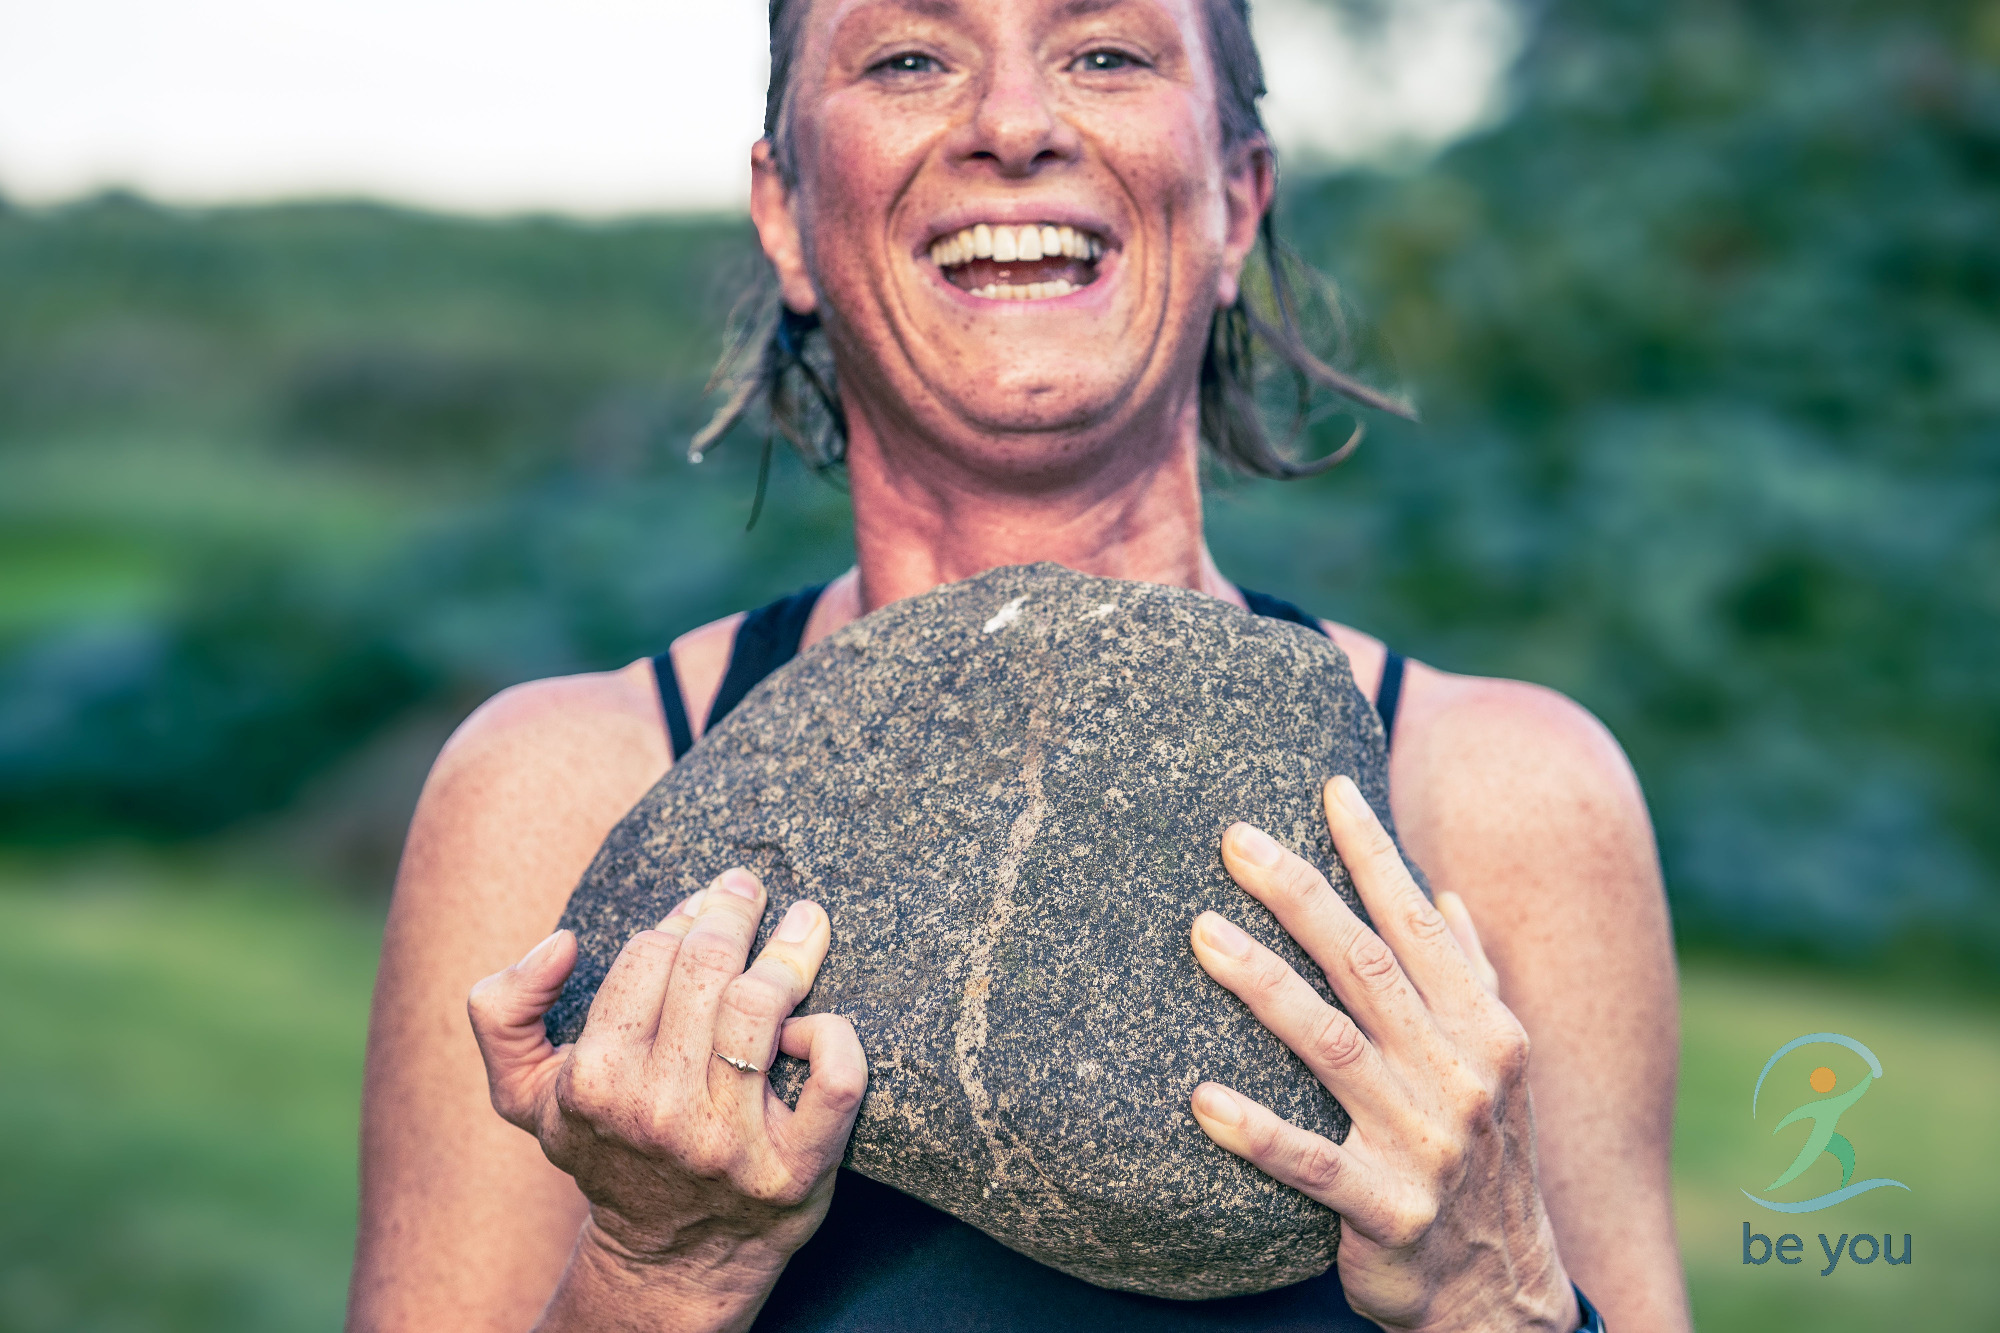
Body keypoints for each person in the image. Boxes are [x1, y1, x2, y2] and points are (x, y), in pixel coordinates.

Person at [346, 0, 1690, 1328]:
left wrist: (1495, 1296)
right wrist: (654, 1275)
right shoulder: (560, 788)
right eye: (909, 58)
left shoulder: (1514, 795)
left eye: (1105, 53)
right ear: (786, 214)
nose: (1013, 121)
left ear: (1238, 201)